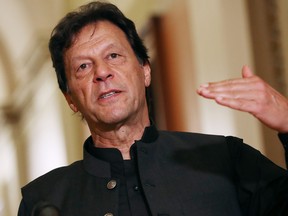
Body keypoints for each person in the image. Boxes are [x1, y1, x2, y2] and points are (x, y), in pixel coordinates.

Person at [18, 1, 288, 216]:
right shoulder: (44, 201)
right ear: (70, 99)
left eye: (113, 56)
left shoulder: (226, 160)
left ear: (144, 71)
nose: (102, 73)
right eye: (83, 67)